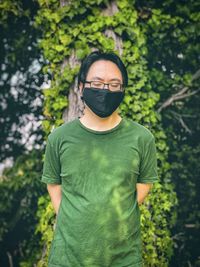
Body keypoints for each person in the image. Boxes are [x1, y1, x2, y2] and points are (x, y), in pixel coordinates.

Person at [41, 50, 159, 267]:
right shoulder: (59, 138)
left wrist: (117, 212)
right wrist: (75, 218)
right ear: (80, 87)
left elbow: (144, 183)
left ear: (122, 89)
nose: (106, 90)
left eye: (114, 84)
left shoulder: (142, 138)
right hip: (68, 259)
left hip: (123, 259)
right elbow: (53, 184)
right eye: (97, 82)